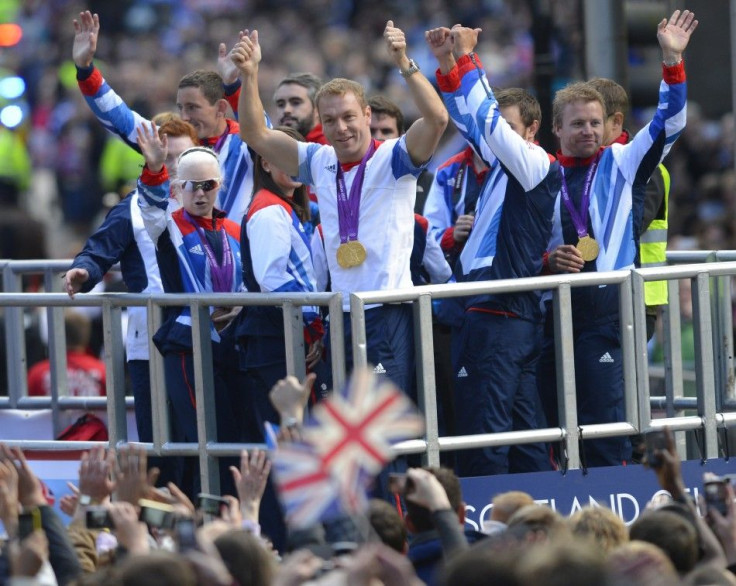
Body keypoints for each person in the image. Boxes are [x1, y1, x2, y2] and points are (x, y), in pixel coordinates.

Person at [231, 20, 448, 393]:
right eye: (329, 120)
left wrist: (404, 62)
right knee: (349, 432)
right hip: (341, 314)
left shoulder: (395, 157)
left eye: (349, 117)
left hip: (388, 310)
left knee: (382, 433)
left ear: (366, 115)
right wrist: (250, 76)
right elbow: (255, 134)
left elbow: (438, 119)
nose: (341, 128)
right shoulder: (319, 160)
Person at [533, 9, 697, 467]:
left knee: (605, 419)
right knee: (554, 417)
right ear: (557, 129)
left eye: (594, 122)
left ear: (607, 124)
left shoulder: (623, 162)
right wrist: (548, 260)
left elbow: (671, 122)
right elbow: (524, 243)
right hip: (552, 308)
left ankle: (613, 500)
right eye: (577, 124)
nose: (587, 131)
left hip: (608, 309)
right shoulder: (541, 175)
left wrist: (671, 62)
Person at [426, 27, 553, 476]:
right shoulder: (502, 166)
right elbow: (471, 121)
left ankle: (488, 532)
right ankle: (535, 523)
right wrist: (447, 65)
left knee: (487, 432)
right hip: (498, 311)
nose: (498, 136)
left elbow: (488, 123)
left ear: (532, 130)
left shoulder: (534, 163)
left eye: (511, 128)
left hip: (501, 312)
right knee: (523, 434)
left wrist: (468, 59)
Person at [63, 115, 198, 454]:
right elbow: (99, 249)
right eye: (166, 159)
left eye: (183, 160)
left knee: (207, 435)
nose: (174, 170)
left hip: (210, 335)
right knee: (161, 442)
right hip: (150, 339)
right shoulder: (133, 209)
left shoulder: (214, 203)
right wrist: (84, 270)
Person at [72, 11, 265, 224]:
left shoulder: (245, 144)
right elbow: (119, 116)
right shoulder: (170, 141)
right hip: (183, 254)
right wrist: (86, 70)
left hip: (238, 255)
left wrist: (233, 86)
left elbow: (263, 133)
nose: (184, 116)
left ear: (220, 107)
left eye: (193, 108)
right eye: (181, 107)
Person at [136, 124, 244, 498]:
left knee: (230, 437)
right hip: (187, 345)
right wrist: (153, 168)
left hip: (231, 344)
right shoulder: (169, 225)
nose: (200, 193)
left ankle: (229, 519)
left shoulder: (235, 228)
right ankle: (203, 520)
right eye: (192, 186)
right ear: (177, 189)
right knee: (202, 437)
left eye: (208, 185)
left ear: (220, 186)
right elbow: (149, 208)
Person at [236, 125, 324, 441]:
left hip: (284, 336)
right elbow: (272, 279)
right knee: (288, 441)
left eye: (296, 156)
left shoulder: (291, 207)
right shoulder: (269, 208)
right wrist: (311, 324)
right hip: (276, 340)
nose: (291, 164)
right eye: (281, 156)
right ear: (265, 163)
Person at [368, 94, 435, 214]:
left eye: (386, 131)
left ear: (401, 136)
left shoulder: (428, 182)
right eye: (371, 131)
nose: (378, 137)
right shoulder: (347, 178)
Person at [27, 309, 106, 398]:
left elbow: (28, 410)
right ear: (86, 337)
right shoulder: (103, 372)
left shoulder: (37, 373)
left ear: (57, 334)